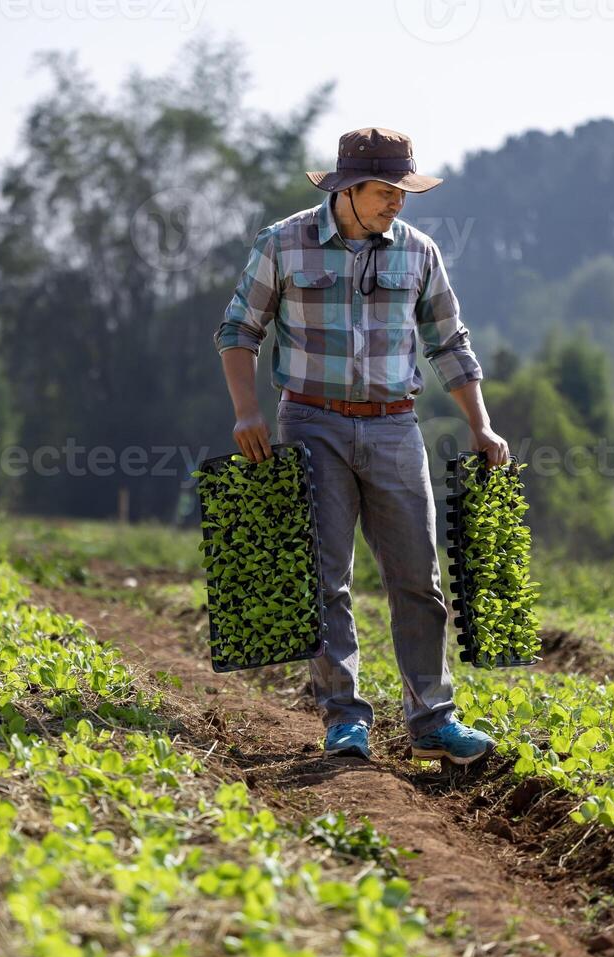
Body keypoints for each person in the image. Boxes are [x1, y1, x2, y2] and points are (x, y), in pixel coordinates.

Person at [214, 126, 510, 765]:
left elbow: (449, 342)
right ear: (347, 188)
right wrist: (246, 412)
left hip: (395, 425)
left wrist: (480, 424)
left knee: (419, 579)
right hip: (310, 423)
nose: (396, 202)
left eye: (404, 191)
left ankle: (434, 720)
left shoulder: (419, 252)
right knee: (324, 578)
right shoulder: (283, 243)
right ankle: (345, 717)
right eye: (384, 190)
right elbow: (239, 329)